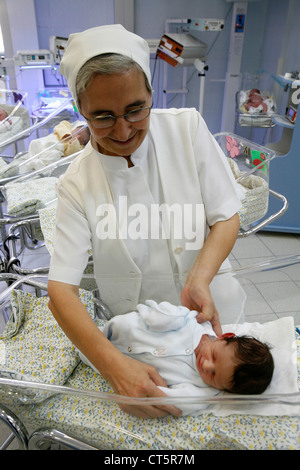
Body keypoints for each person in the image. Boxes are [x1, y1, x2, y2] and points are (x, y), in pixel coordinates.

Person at [47, 24, 244, 418]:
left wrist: (199, 276)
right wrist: (114, 367)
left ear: (152, 94)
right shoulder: (76, 184)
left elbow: (226, 216)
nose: (123, 130)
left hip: (213, 325)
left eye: (135, 109)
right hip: (138, 344)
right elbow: (60, 292)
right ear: (80, 112)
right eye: (102, 117)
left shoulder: (186, 129)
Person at [79, 299, 274, 415]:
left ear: (224, 389)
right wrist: (167, 317)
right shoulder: (193, 322)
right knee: (101, 331)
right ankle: (90, 337)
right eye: (214, 356)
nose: (206, 365)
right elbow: (160, 312)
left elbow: (178, 401)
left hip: (119, 365)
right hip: (121, 330)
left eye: (214, 377)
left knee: (85, 354)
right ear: (225, 337)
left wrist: (155, 392)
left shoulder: (202, 390)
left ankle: (84, 350)